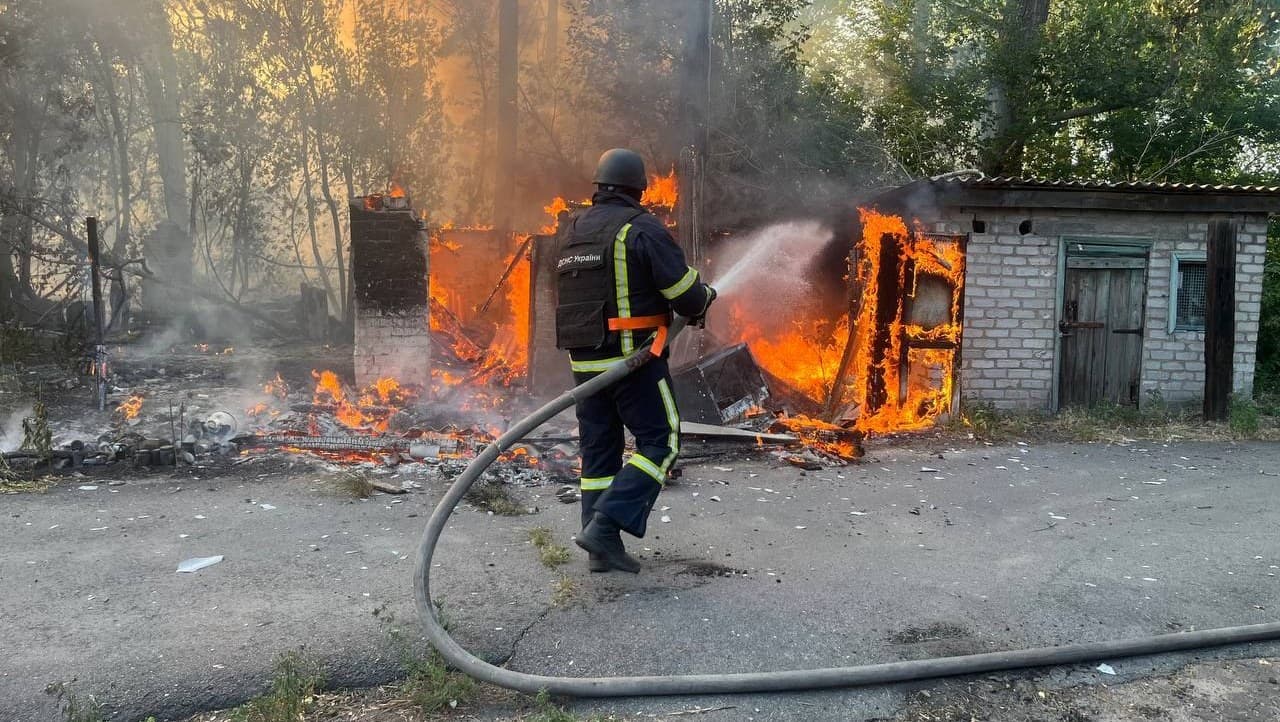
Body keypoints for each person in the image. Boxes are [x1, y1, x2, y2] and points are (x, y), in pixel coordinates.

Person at [554, 148, 716, 573]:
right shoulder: (639, 229)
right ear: (639, 189)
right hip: (633, 360)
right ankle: (606, 526)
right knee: (662, 441)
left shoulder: (572, 232)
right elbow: (686, 295)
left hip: (585, 365)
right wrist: (704, 296)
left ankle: (598, 549)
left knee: (599, 453)